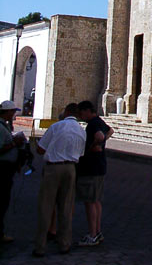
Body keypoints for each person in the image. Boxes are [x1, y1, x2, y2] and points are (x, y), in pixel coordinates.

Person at [32, 103, 86, 257]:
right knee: (66, 207)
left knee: (46, 206)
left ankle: (40, 246)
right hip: (71, 169)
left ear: (67, 111)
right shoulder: (82, 131)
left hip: (53, 168)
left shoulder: (57, 126)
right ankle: (64, 244)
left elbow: (40, 149)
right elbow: (80, 154)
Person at [76, 101, 114, 247]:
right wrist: (101, 144)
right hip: (100, 166)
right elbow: (110, 131)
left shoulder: (92, 124)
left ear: (87, 111)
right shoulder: (99, 120)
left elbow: (99, 136)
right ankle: (97, 232)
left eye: (81, 113)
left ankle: (92, 234)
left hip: (91, 167)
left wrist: (95, 145)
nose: (80, 116)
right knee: (96, 200)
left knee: (90, 202)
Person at [0, 100, 25, 245]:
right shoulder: (1, 127)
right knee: (2, 201)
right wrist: (15, 143)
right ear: (7, 112)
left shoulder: (5, 126)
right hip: (2, 169)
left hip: (7, 168)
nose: (14, 114)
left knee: (3, 201)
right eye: (13, 111)